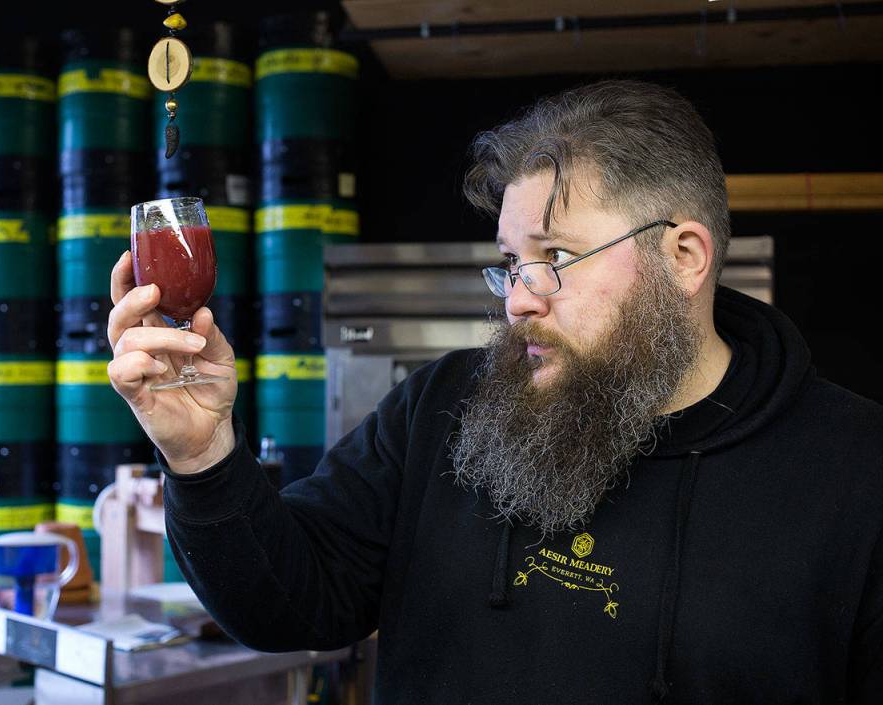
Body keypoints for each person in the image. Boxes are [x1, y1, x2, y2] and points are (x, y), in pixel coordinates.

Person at [107, 80, 883, 703]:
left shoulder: (855, 472)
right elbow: (286, 601)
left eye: (555, 255)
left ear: (683, 257)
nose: (517, 297)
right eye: (511, 261)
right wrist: (201, 450)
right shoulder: (443, 406)